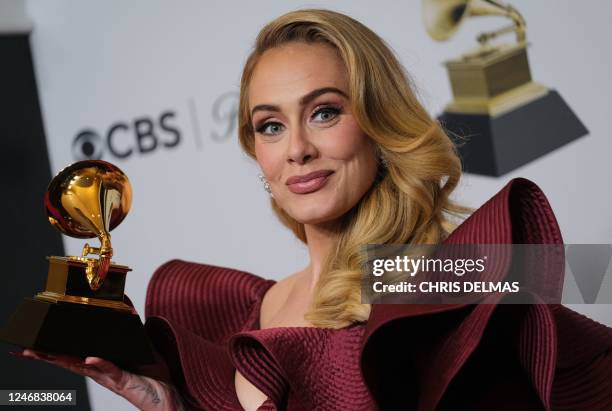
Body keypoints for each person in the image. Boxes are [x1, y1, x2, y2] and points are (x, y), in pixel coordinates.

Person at [17, 8, 612, 411]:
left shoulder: (434, 273)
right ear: (259, 155)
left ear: (380, 123)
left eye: (324, 111)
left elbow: (588, 279)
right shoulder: (250, 307)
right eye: (270, 126)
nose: (298, 148)